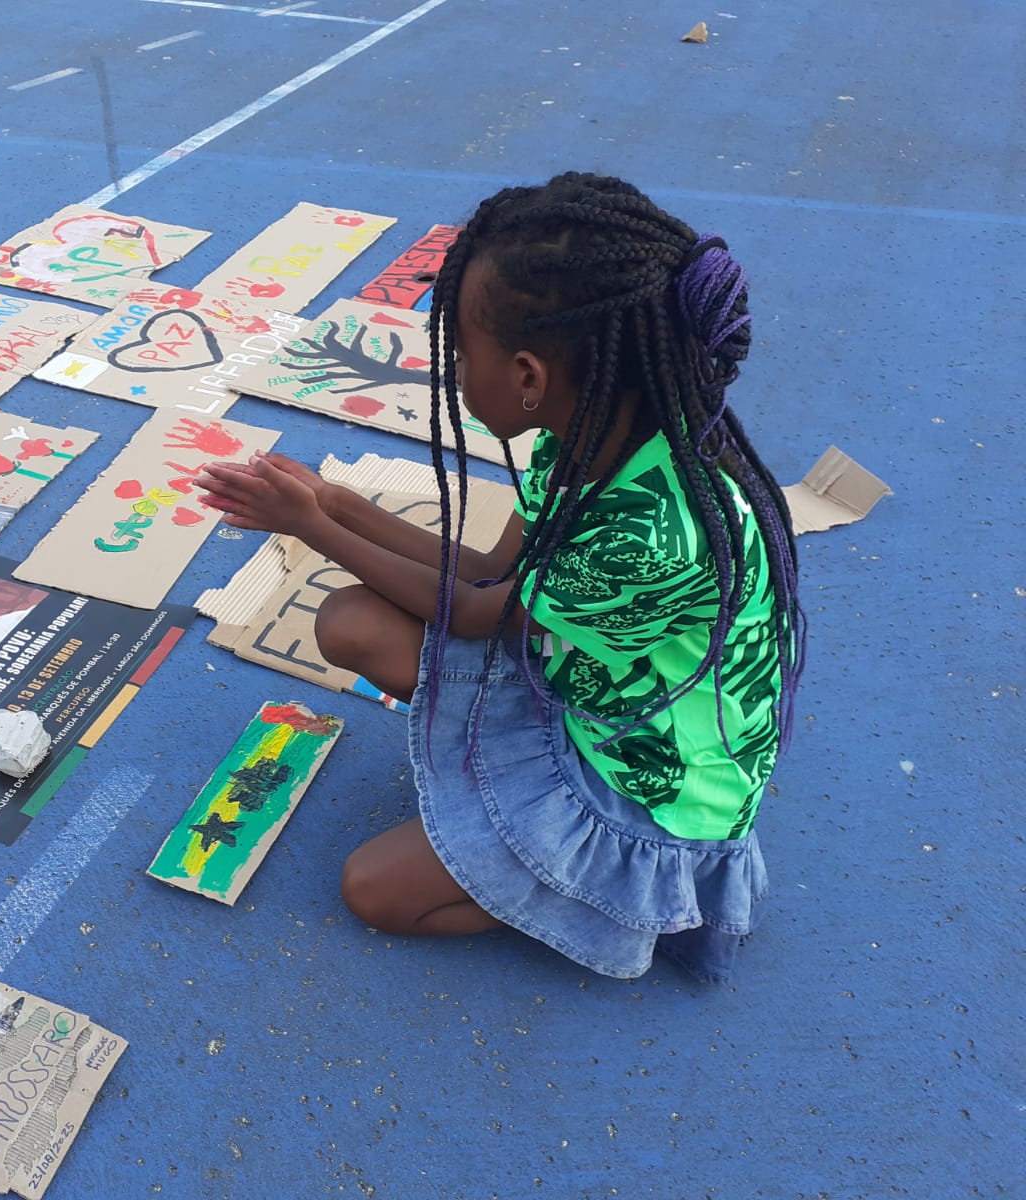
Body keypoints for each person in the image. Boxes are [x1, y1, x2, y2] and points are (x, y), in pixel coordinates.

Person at [197, 173, 803, 984]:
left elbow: (482, 612)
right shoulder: (594, 429)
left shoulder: (648, 535)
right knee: (349, 623)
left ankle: (609, 895)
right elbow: (489, 573)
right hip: (587, 686)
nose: (451, 372)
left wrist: (311, 525)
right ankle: (513, 837)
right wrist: (334, 499)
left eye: (459, 353)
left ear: (526, 376)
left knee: (373, 892)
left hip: (652, 794)